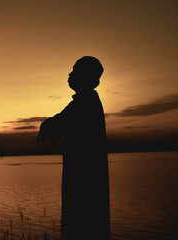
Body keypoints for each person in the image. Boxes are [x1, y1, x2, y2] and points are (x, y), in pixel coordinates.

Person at [37, 56, 110, 239]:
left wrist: (46, 128)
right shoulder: (84, 102)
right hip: (85, 178)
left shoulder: (85, 104)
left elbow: (57, 124)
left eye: (75, 71)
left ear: (86, 77)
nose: (70, 74)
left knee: (82, 225)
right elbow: (60, 121)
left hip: (84, 180)